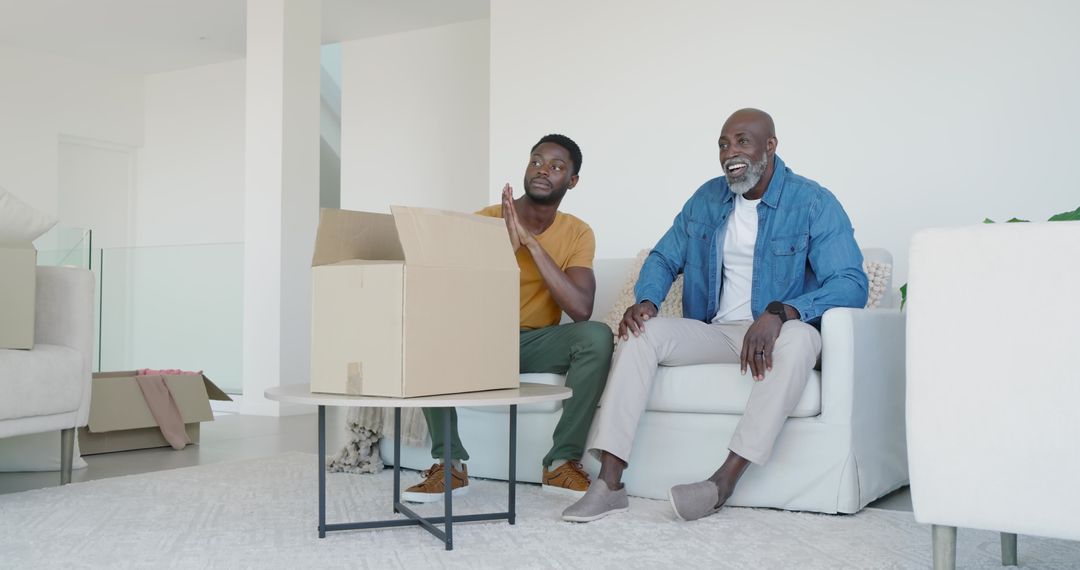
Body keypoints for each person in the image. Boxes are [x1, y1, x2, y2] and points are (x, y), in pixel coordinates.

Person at [562, 109, 868, 522]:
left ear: (770, 146)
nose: (730, 152)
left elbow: (851, 283)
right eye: (723, 144)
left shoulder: (812, 202)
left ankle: (722, 483)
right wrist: (648, 300)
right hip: (718, 331)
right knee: (641, 332)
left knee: (801, 339)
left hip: (779, 334)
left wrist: (782, 312)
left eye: (742, 141)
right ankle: (610, 483)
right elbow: (663, 257)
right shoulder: (706, 199)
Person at [403, 134, 614, 502]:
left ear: (572, 181)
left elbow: (581, 309)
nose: (543, 170)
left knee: (596, 336)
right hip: (478, 338)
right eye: (536, 161)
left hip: (532, 343)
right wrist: (505, 248)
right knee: (425, 332)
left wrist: (532, 244)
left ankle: (561, 463)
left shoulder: (578, 232)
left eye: (556, 166)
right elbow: (453, 297)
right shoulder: (484, 221)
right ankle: (450, 465)